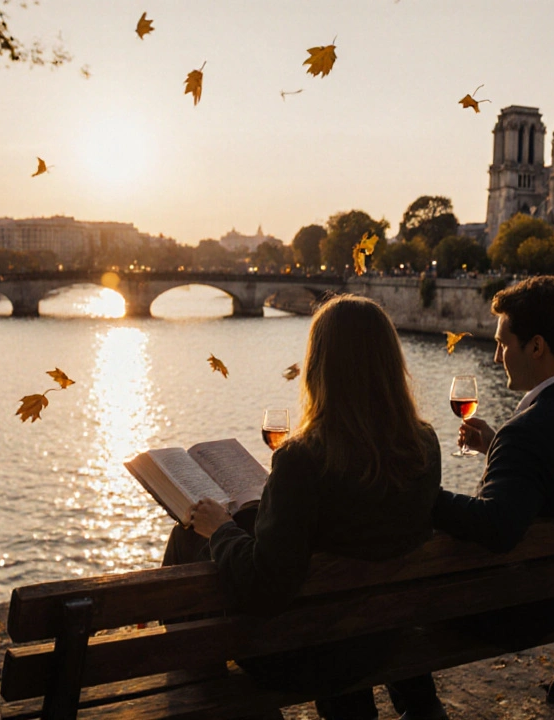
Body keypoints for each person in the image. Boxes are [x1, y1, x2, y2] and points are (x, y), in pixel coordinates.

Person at [170, 294, 444, 720]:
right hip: (384, 639)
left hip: (302, 652)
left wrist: (221, 529)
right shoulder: (424, 444)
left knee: (188, 536)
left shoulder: (305, 458)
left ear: (320, 368)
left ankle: (202, 689)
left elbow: (267, 586)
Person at [386, 275, 554, 718]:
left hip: (515, 607)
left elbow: (497, 528)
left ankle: (422, 708)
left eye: (503, 343)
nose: (496, 355)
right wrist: (497, 445)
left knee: (386, 595)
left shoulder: (529, 432)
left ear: (536, 346)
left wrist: (419, 495)